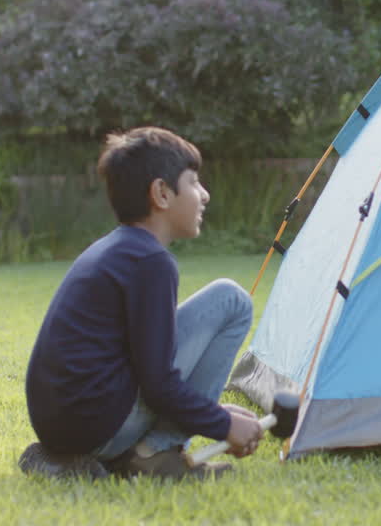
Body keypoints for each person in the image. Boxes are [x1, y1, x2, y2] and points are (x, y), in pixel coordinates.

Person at [20, 126, 263, 481]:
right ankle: (154, 454)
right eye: (194, 182)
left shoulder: (120, 249)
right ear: (162, 193)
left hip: (65, 427)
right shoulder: (150, 262)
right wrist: (221, 423)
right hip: (98, 428)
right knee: (232, 302)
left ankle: (69, 458)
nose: (205, 194)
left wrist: (207, 411)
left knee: (228, 300)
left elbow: (146, 366)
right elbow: (158, 384)